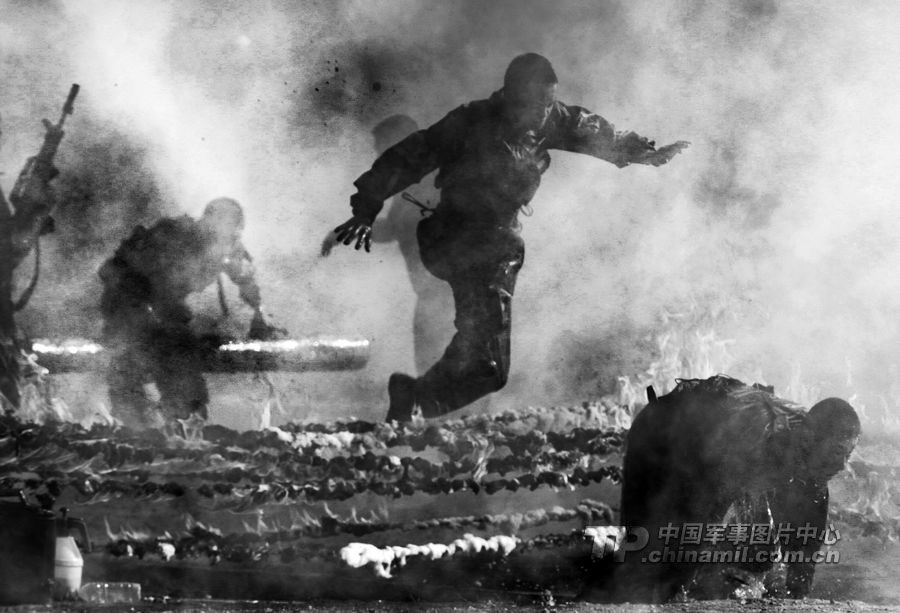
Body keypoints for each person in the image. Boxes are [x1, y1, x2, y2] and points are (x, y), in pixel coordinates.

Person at [331, 53, 689, 422]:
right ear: (509, 94)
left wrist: (642, 152)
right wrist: (366, 206)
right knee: (484, 356)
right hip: (458, 239)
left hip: (500, 245)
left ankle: (417, 398)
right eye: (532, 104)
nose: (539, 114)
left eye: (547, 104)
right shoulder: (471, 120)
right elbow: (410, 155)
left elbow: (594, 131)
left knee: (490, 371)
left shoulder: (551, 120)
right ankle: (418, 400)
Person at [617, 375, 860, 602]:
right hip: (661, 433)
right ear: (808, 437)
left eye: (847, 454)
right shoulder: (757, 444)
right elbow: (703, 514)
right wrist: (680, 584)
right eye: (837, 452)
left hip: (706, 456)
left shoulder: (813, 472)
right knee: (652, 558)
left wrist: (794, 596)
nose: (842, 465)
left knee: (757, 556)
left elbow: (803, 561)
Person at [98, 198, 276, 429]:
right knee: (152, 361)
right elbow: (161, 289)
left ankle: (181, 430)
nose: (230, 237)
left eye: (233, 230)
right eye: (225, 228)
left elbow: (243, 275)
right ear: (210, 222)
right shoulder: (177, 238)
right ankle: (142, 431)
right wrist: (184, 327)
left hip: (160, 309)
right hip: (127, 304)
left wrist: (259, 314)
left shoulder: (224, 243)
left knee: (176, 360)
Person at [322, 115, 454, 375]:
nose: (379, 158)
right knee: (431, 368)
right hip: (431, 296)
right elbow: (395, 228)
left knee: (453, 369)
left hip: (454, 293)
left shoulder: (439, 178)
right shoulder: (411, 184)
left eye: (383, 150)